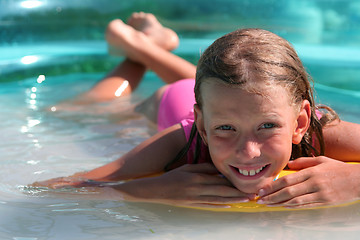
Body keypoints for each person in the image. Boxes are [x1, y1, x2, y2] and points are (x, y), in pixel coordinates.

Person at [37, 13, 360, 209]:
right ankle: (136, 53)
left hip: (219, 98)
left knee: (222, 85)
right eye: (225, 129)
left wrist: (354, 180)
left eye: (267, 126)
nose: (248, 152)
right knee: (88, 105)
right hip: (173, 101)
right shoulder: (182, 140)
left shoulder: (322, 135)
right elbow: (51, 189)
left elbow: (232, 102)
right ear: (202, 126)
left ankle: (147, 43)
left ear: (300, 122)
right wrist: (146, 189)